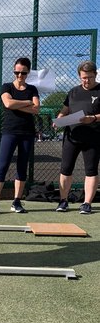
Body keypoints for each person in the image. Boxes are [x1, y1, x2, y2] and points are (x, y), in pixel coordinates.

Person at [0, 58, 39, 215]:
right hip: (9, 131)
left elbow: (36, 109)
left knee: (22, 167)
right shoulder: (6, 86)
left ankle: (16, 201)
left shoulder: (32, 89)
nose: (20, 75)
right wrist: (27, 102)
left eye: (23, 73)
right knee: (2, 166)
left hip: (27, 133)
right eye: (17, 72)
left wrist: (18, 105)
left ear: (28, 72)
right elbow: (7, 104)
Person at [54, 60, 100, 215]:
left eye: (89, 77)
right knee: (65, 169)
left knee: (91, 170)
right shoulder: (73, 92)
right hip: (72, 137)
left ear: (95, 74)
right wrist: (59, 119)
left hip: (93, 137)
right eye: (83, 78)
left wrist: (93, 118)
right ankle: (63, 201)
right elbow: (65, 110)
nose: (86, 81)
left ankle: (87, 203)